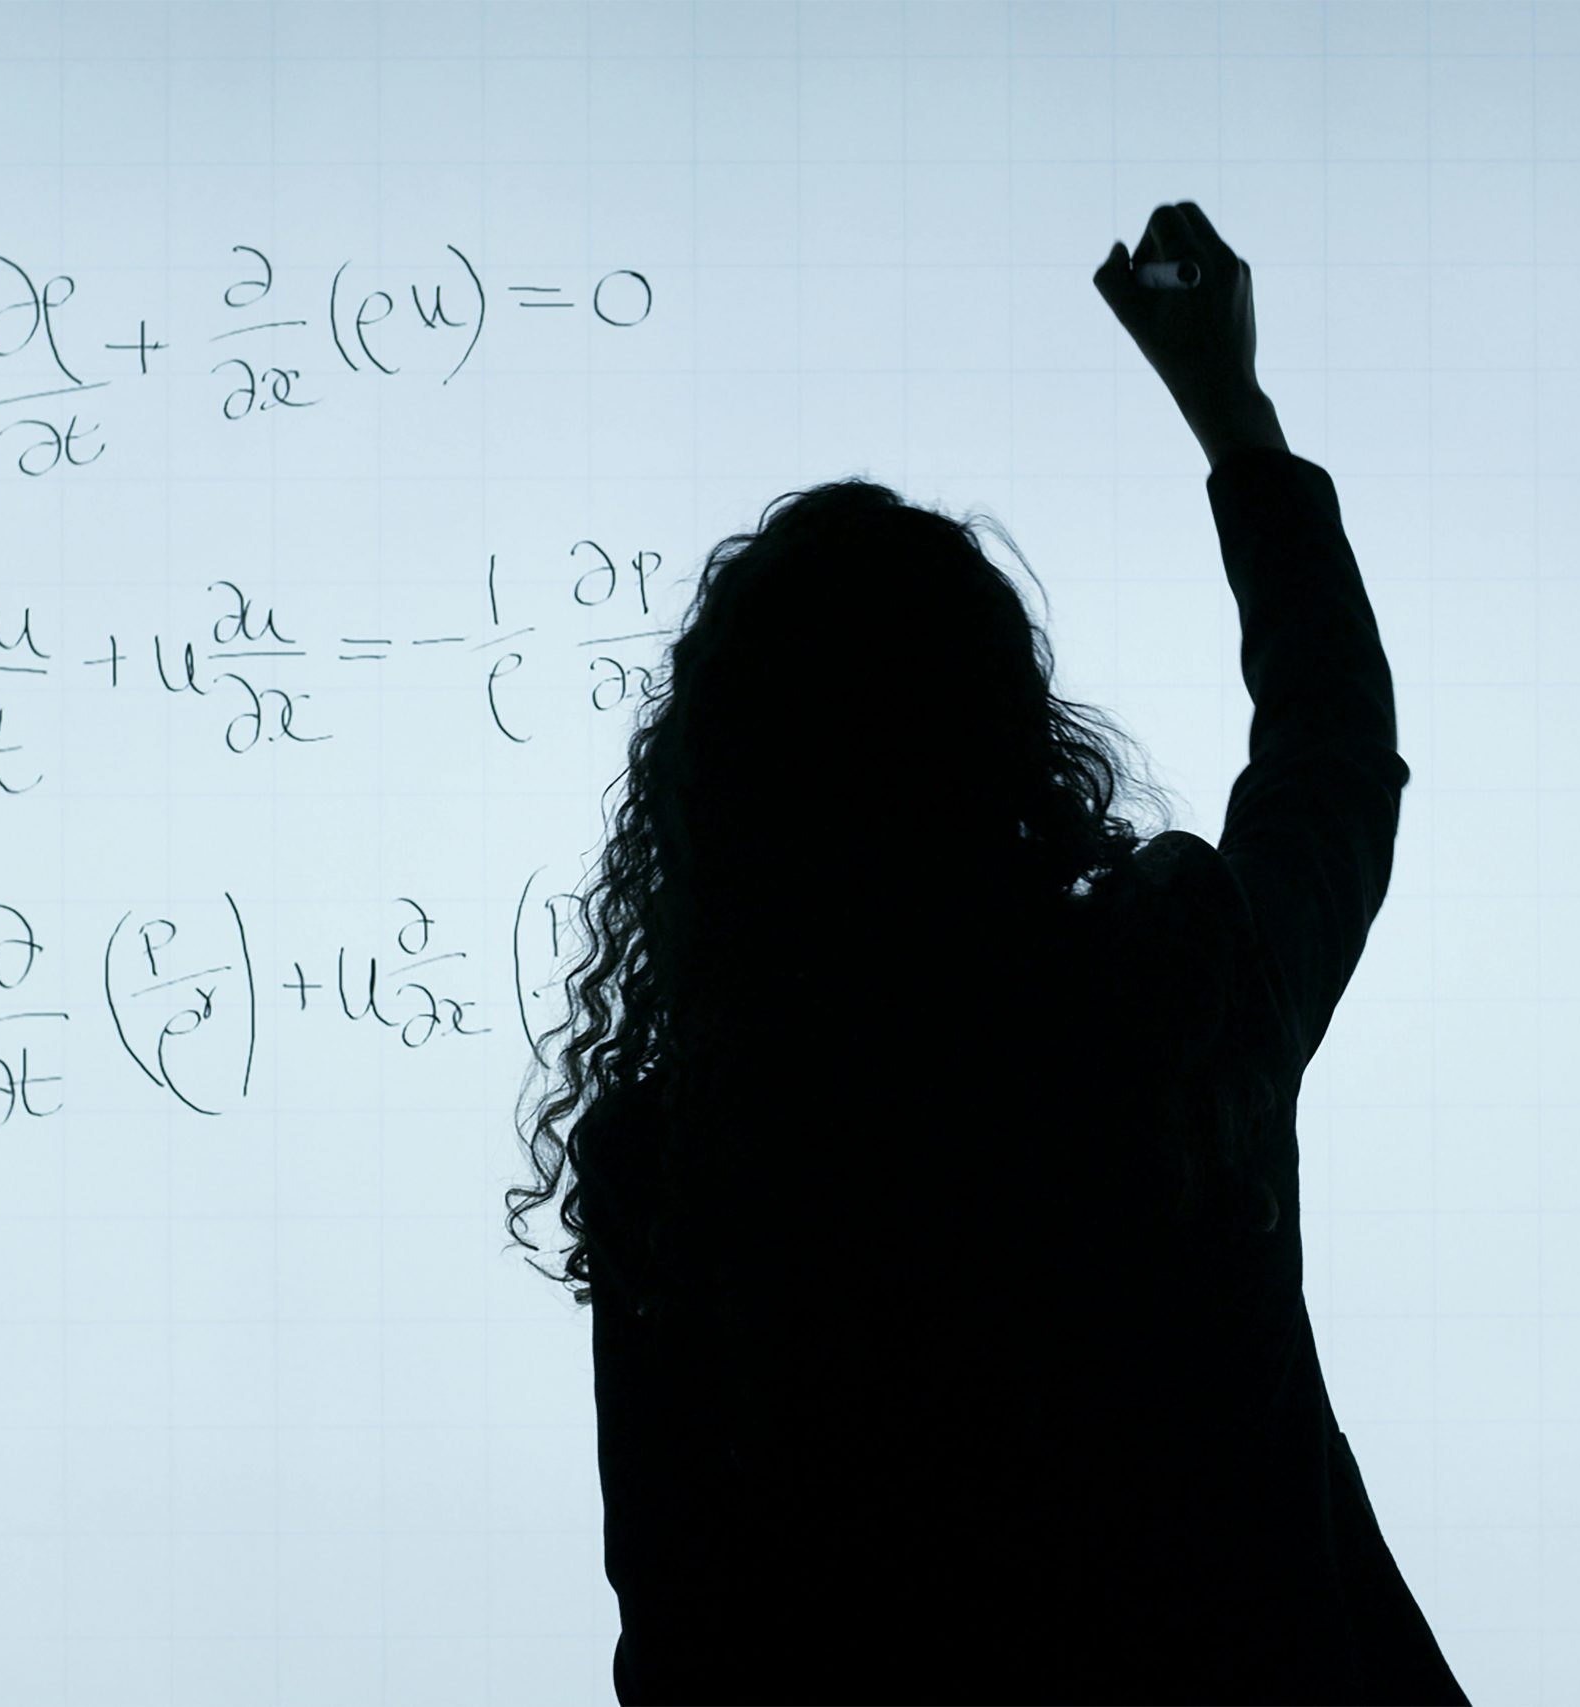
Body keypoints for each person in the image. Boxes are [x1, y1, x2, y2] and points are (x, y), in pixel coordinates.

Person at [508, 203, 1469, 1706]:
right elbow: (1332, 761)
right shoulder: (1165, 1006)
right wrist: (1232, 413)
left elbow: (686, 1645)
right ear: (1013, 751)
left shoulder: (679, 1170)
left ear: (714, 808)